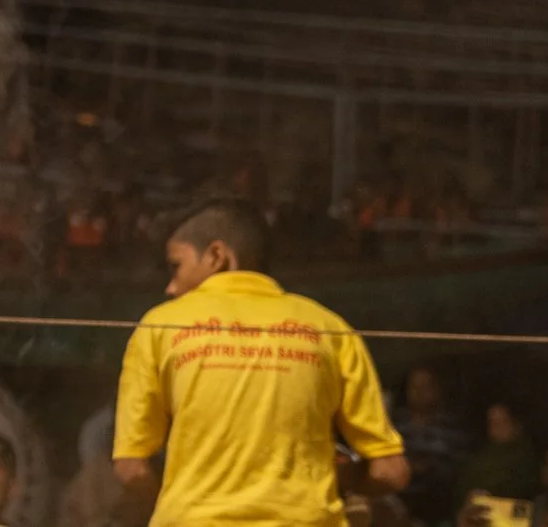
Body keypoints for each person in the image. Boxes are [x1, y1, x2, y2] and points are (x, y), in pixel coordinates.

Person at [113, 197, 408, 525]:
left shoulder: (160, 326)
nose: (170, 287)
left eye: (176, 266)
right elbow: (389, 472)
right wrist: (331, 481)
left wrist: (180, 502)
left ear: (217, 256)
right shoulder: (329, 327)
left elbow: (131, 467)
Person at [394, 365, 468, 525]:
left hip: (437, 507)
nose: (419, 392)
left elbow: (458, 471)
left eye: (425, 386)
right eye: (414, 386)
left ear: (438, 390)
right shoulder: (394, 424)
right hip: (395, 505)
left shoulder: (451, 427)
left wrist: (426, 467)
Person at [452, 402, 539, 506]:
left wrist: (491, 496)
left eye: (503, 422)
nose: (497, 427)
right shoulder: (480, 455)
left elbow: (524, 488)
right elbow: (463, 485)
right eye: (493, 422)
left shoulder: (526, 455)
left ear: (516, 424)